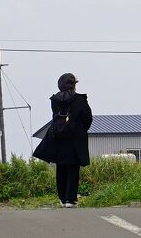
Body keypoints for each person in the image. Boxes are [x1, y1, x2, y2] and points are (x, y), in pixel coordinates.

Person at [33, 72, 92, 208]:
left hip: (58, 137)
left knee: (61, 167)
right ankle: (70, 200)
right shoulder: (80, 100)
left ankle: (62, 198)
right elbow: (88, 118)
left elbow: (55, 117)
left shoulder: (55, 100)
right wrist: (80, 129)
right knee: (73, 168)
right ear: (73, 85)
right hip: (75, 139)